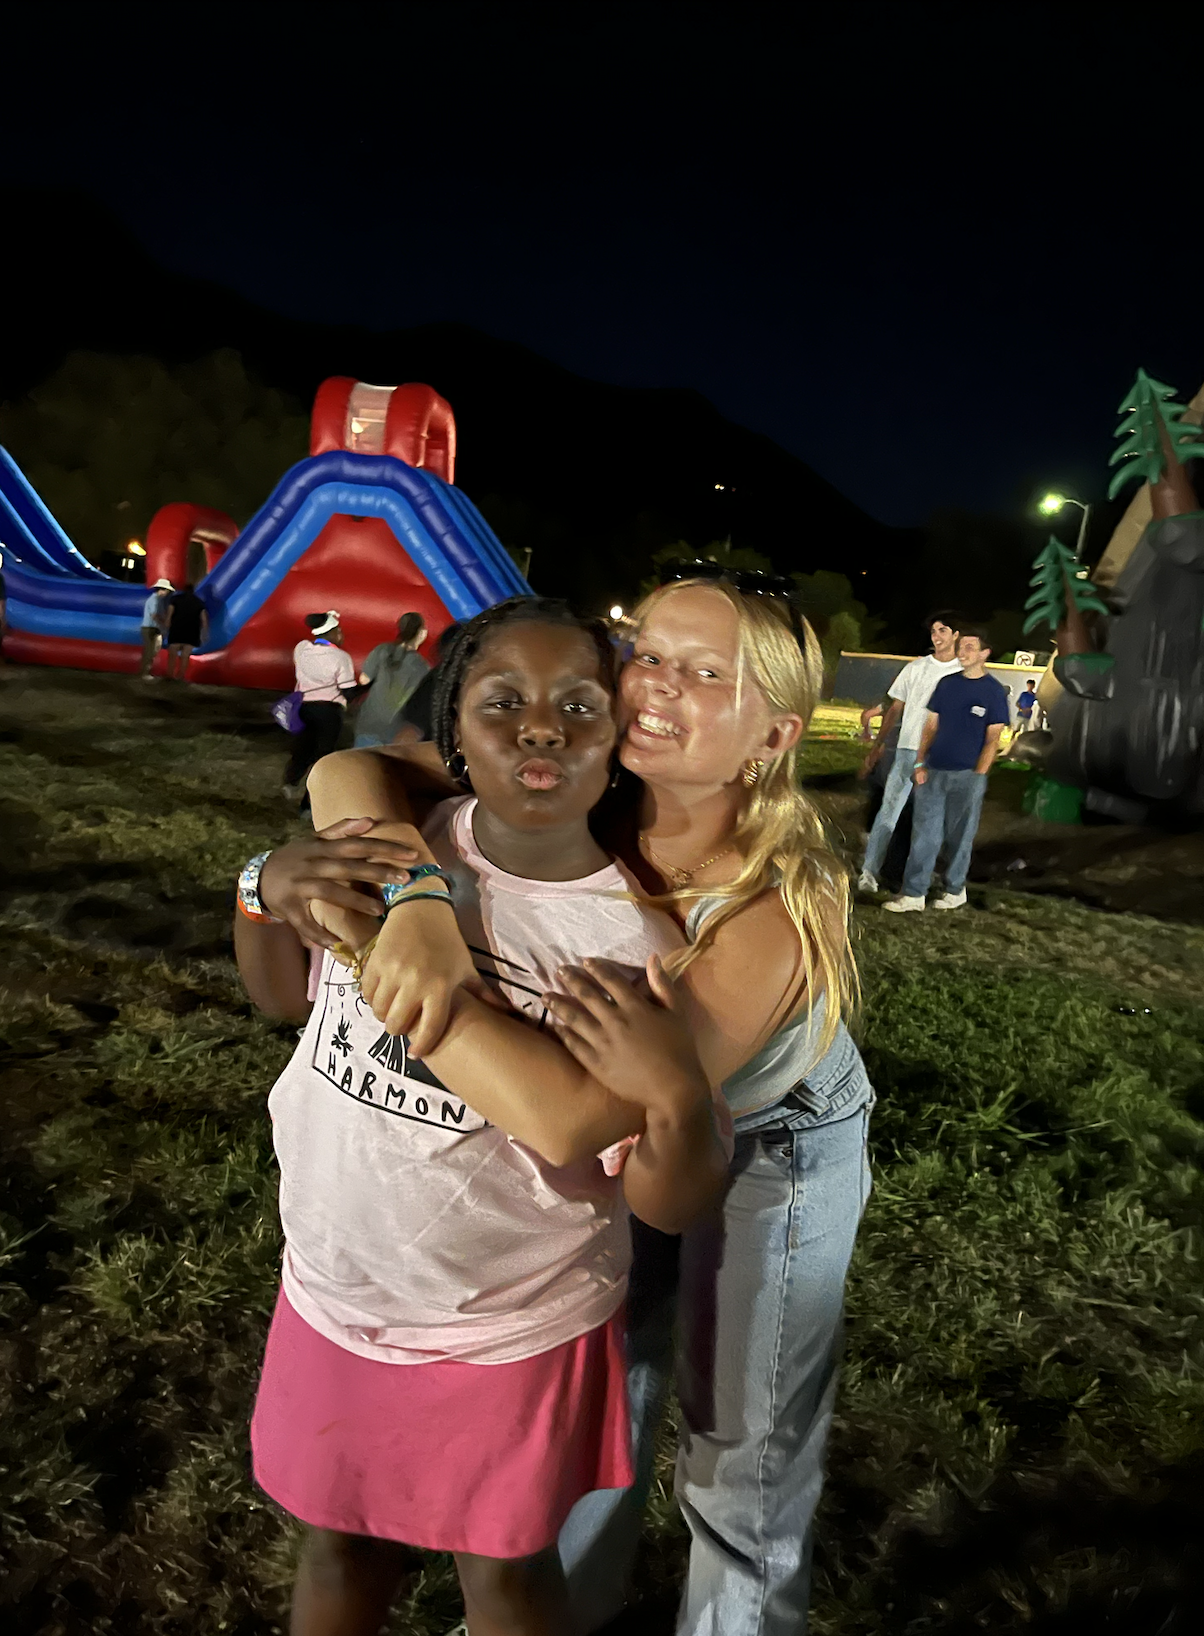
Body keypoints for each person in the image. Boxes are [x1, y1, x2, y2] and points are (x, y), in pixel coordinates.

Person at [270, 569, 875, 1635]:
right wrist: (416, 900)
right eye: (651, 653)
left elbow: (571, 1116)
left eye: (707, 673)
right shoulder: (601, 768)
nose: (659, 684)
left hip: (772, 1134)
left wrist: (380, 950)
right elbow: (348, 765)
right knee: (607, 1362)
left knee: (743, 1441)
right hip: (627, 1127)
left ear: (773, 737)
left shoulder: (771, 909)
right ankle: (548, 1593)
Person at [234, 598, 727, 1636]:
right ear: (449, 730)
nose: (540, 726)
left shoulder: (627, 942)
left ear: (618, 737)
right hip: (335, 1286)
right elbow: (280, 993)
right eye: (502, 702)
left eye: (578, 705)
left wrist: (672, 1094)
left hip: (506, 1324)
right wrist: (262, 887)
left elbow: (614, 1155)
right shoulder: (395, 844)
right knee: (336, 1546)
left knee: (504, 1572)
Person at [884, 628, 1011, 913]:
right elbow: (930, 726)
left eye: (969, 647)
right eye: (961, 646)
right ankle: (914, 894)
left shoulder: (993, 691)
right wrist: (920, 763)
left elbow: (993, 739)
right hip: (933, 773)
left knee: (959, 838)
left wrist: (979, 775)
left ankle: (954, 890)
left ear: (984, 653)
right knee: (924, 836)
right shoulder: (946, 684)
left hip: (967, 776)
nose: (962, 652)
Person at [857, 612, 962, 894]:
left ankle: (921, 875)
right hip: (907, 751)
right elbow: (895, 709)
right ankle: (869, 871)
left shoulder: (961, 673)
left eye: (943, 630)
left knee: (931, 819)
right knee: (888, 813)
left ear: (955, 635)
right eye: (934, 631)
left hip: (939, 756)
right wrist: (877, 746)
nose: (937, 637)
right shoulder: (916, 668)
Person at [283, 612, 358, 801]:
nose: (341, 635)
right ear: (331, 633)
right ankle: (311, 797)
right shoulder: (341, 657)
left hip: (303, 708)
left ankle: (290, 782)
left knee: (302, 748)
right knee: (323, 754)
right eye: (338, 631)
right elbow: (348, 691)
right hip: (329, 711)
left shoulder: (301, 649)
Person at [353, 612, 430, 747]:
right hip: (396, 730)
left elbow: (364, 680)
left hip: (369, 722)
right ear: (422, 633)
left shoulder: (382, 650)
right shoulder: (422, 666)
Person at [165, 582, 208, 681]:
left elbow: (169, 614)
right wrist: (205, 633)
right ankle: (181, 676)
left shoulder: (175, 599)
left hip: (177, 629)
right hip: (192, 632)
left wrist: (167, 625)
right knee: (185, 655)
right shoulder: (199, 602)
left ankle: (170, 675)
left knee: (172, 654)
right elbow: (204, 619)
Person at [139, 578, 174, 680]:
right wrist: (164, 623)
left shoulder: (158, 600)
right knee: (150, 651)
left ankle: (146, 671)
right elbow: (154, 615)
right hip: (150, 627)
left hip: (152, 627)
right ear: (162, 590)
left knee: (152, 650)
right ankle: (145, 672)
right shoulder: (155, 600)